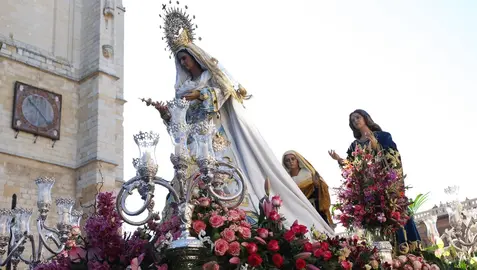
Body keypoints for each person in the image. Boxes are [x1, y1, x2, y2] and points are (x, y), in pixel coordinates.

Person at [144, 13, 335, 236]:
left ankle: (232, 223)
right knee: (187, 180)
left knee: (223, 176)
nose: (183, 63)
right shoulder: (182, 87)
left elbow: (226, 90)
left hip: (215, 136)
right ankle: (187, 226)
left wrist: (201, 94)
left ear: (195, 57)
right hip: (192, 141)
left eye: (184, 58)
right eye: (180, 61)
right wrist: (166, 114)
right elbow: (180, 122)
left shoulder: (209, 76)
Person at [328, 109, 421, 252]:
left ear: (365, 118)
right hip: (369, 189)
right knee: (375, 218)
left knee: (395, 211)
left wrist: (376, 145)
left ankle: (406, 247)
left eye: (357, 117)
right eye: (353, 120)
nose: (356, 121)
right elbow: (353, 167)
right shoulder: (354, 146)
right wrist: (339, 159)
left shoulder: (383, 136)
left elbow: (394, 156)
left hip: (386, 184)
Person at [282, 151, 334, 227]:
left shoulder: (308, 172)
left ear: (297, 160)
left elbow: (322, 187)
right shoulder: (286, 179)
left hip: (314, 207)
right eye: (287, 160)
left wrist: (317, 185)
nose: (291, 162)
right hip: (299, 210)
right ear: (285, 163)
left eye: (293, 159)